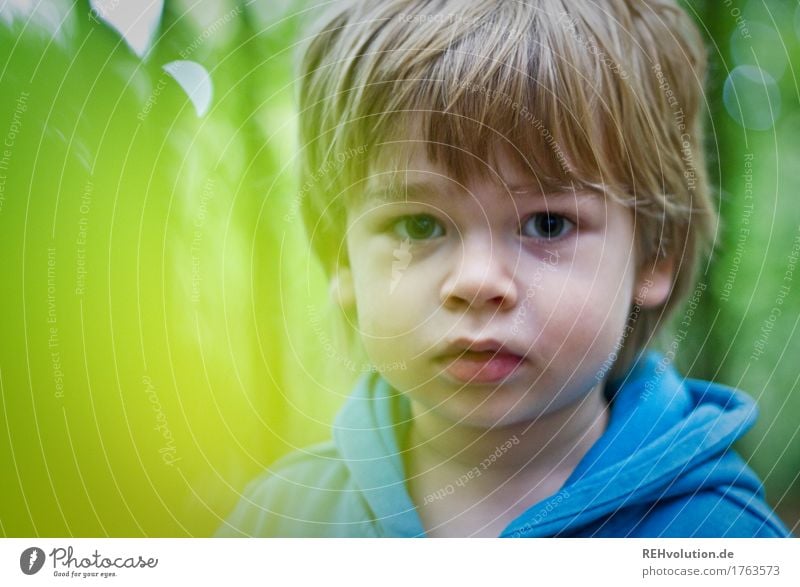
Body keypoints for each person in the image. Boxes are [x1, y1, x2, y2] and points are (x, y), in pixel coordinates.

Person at [217, 0, 791, 537]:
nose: (477, 282)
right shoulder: (277, 521)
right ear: (342, 256)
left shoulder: (717, 536)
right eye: (419, 226)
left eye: (547, 224)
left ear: (653, 254)